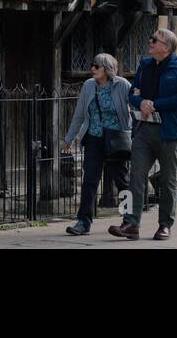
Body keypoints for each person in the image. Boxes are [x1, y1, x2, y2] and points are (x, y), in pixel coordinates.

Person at [109, 27, 177, 241]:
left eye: (154, 39)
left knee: (168, 180)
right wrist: (141, 102)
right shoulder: (145, 65)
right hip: (144, 130)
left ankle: (165, 225)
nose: (150, 41)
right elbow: (132, 93)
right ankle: (131, 224)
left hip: (169, 132)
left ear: (166, 47)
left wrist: (154, 104)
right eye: (151, 38)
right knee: (136, 176)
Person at [60, 53, 132, 235]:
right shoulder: (88, 86)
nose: (92, 68)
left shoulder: (122, 85)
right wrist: (69, 139)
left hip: (116, 139)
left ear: (107, 69)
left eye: (96, 66)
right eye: (92, 65)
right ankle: (83, 222)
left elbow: (136, 107)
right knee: (90, 181)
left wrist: (136, 135)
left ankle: (129, 220)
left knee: (122, 181)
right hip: (94, 138)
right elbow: (79, 115)